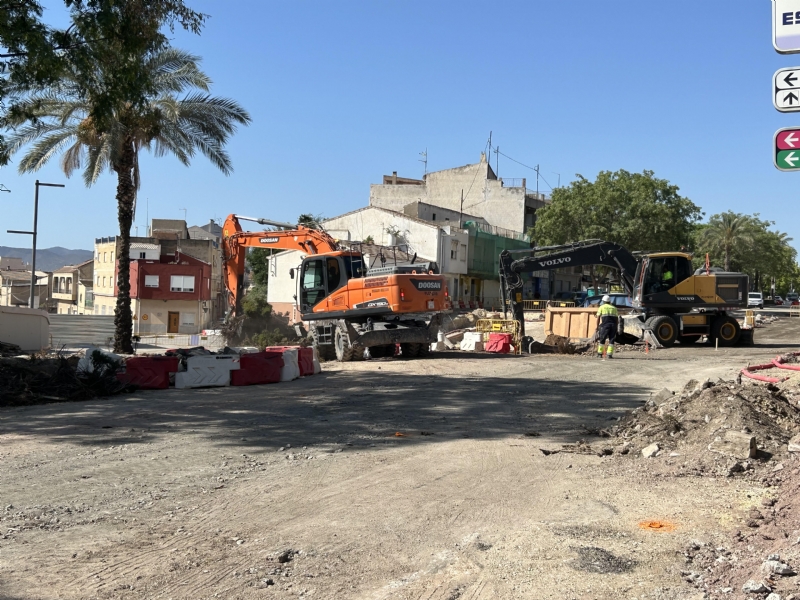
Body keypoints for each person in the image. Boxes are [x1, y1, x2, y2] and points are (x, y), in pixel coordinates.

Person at [595, 294, 619, 359]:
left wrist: (597, 326)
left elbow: (598, 317)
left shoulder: (601, 307)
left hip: (605, 325)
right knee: (611, 340)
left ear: (603, 301)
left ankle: (600, 354)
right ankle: (609, 355)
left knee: (602, 339)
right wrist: (616, 327)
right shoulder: (614, 308)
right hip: (613, 325)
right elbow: (617, 319)